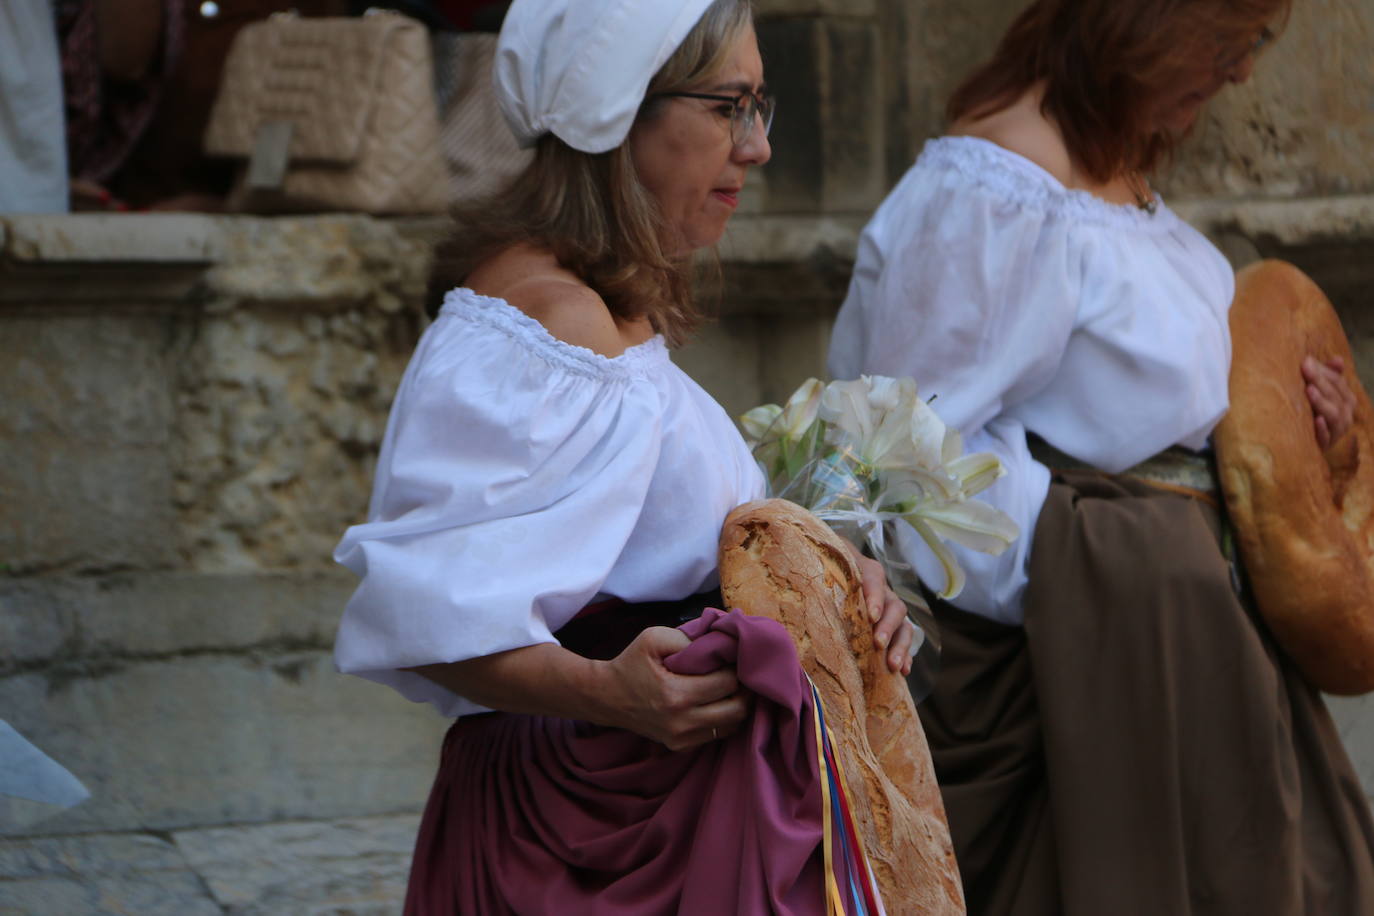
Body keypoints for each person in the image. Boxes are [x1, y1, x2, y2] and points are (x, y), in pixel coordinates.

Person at [332, 1, 920, 912]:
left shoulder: (602, 313)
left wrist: (838, 584)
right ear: (618, 111)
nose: (757, 146)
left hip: (644, 809)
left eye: (761, 107)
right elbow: (430, 619)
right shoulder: (545, 329)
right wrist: (609, 692)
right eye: (730, 106)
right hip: (579, 837)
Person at [827, 0, 1374, 913]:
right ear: (1146, 18)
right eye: (1228, 43)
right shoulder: (996, 188)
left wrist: (1313, 436)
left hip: (1193, 643)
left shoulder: (1111, 173)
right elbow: (909, 459)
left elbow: (1171, 411)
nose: (1241, 75)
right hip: (1082, 672)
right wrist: (1128, 556)